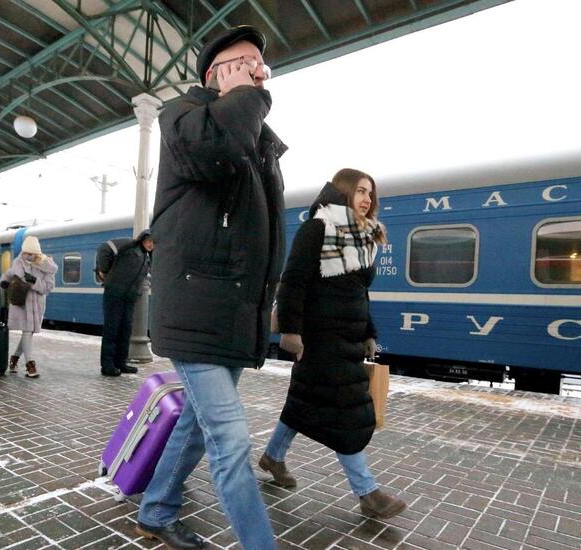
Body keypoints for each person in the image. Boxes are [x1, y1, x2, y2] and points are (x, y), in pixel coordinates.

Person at [139, 25, 285, 550]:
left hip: (234, 309)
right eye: (244, 63)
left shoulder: (257, 142)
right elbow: (213, 150)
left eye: (260, 65)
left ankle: (156, 510)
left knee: (198, 426)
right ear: (214, 74)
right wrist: (245, 96)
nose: (257, 72)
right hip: (194, 305)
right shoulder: (184, 117)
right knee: (230, 436)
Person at [262, 169, 407, 519]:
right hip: (320, 337)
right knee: (345, 411)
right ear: (343, 191)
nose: (367, 199)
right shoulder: (318, 228)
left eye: (370, 193)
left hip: (348, 338)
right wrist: (291, 332)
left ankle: (272, 457)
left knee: (305, 402)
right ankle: (367, 492)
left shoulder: (364, 236)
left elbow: (359, 293)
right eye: (360, 191)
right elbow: (293, 281)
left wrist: (369, 332)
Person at [95, 229, 153, 377]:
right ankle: (107, 366)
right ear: (143, 239)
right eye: (149, 241)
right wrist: (104, 270)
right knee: (112, 330)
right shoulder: (128, 245)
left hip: (129, 297)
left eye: (154, 242)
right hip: (114, 293)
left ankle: (121, 362)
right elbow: (104, 248)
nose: (151, 244)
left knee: (125, 330)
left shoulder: (146, 256)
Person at [0, 236, 57, 378]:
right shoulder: (18, 263)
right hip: (21, 304)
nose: (27, 256)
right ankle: (30, 365)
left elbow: (48, 288)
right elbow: (8, 274)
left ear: (37, 254)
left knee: (28, 333)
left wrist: (34, 281)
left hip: (36, 306)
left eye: (30, 254)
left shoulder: (47, 267)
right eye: (25, 253)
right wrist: (4, 282)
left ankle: (14, 359)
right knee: (26, 332)